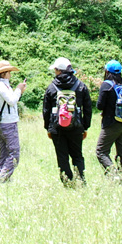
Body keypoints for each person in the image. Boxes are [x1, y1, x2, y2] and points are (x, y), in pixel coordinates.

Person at [42, 57, 92, 185]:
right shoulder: (81, 86)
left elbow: (46, 110)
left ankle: (67, 182)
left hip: (57, 128)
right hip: (76, 127)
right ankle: (81, 180)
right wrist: (85, 127)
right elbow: (88, 109)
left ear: (59, 71)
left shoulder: (52, 88)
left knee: (62, 156)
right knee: (77, 155)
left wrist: (48, 128)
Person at [0, 60, 26, 183]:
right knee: (14, 154)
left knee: (5, 154)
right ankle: (2, 180)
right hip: (8, 123)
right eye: (9, 71)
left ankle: (3, 179)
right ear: (3, 73)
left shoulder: (1, 85)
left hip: (3, 123)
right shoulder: (0, 86)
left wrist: (18, 91)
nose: (10, 73)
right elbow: (12, 100)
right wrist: (19, 89)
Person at [95, 59, 122, 181]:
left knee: (101, 151)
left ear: (107, 71)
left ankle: (113, 175)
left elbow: (99, 105)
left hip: (111, 124)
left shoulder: (106, 85)